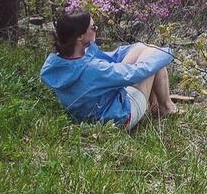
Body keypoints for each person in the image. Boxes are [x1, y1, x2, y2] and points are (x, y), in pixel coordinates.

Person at [40, 10, 178, 131]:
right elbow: (137, 72)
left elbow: (111, 58)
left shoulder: (57, 63)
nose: (96, 29)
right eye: (93, 27)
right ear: (80, 36)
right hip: (117, 119)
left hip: (89, 114)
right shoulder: (93, 69)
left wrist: (146, 50)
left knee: (144, 48)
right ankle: (166, 108)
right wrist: (167, 53)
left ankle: (156, 106)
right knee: (155, 61)